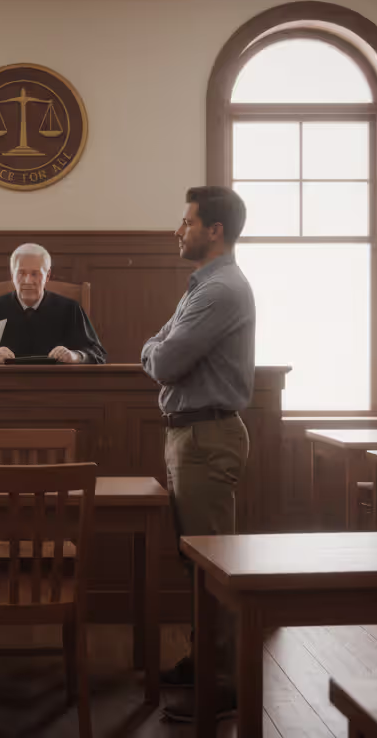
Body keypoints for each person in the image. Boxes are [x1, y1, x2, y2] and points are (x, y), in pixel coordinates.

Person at [141, 186, 255, 723]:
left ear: (214, 230)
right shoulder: (202, 285)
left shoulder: (221, 290)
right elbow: (159, 347)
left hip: (206, 436)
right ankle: (203, 659)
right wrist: (155, 350)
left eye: (186, 222)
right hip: (190, 434)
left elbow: (162, 360)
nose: (177, 230)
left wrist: (155, 351)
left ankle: (226, 683)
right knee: (196, 562)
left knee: (213, 563)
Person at [0, 243, 107, 364]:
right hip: (4, 388)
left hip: (56, 388)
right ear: (12, 275)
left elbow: (98, 355)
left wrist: (75, 356)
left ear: (47, 276)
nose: (28, 281)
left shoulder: (71, 310)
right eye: (21, 273)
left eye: (35, 274)